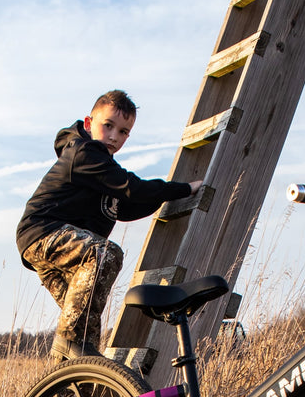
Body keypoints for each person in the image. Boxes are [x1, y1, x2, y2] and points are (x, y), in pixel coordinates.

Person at [16, 90, 203, 360]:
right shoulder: (83, 153)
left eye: (124, 132)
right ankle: (70, 343)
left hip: (53, 251)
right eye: (108, 126)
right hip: (42, 232)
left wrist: (163, 198)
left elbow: (126, 206)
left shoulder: (103, 172)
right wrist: (183, 188)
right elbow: (132, 187)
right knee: (105, 253)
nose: (115, 136)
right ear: (89, 123)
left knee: (86, 327)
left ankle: (72, 396)